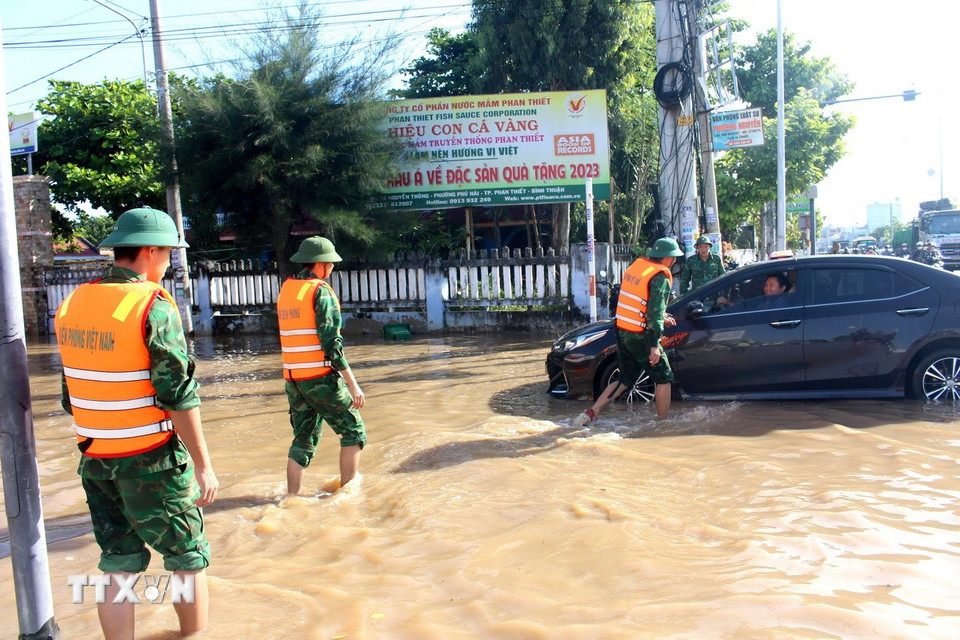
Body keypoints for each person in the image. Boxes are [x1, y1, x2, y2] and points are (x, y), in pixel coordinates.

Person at [54, 207, 218, 639]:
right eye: (168, 254)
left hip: (95, 460)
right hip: (153, 463)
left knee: (118, 562)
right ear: (150, 251)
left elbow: (73, 396)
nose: (168, 264)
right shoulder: (151, 304)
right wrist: (203, 464)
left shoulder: (72, 303)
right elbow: (178, 394)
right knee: (186, 557)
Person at [278, 236, 366, 494]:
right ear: (322, 265)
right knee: (354, 431)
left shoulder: (287, 289)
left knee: (302, 441)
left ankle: (291, 498)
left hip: (294, 380)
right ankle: (349, 493)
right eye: (331, 263)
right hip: (320, 378)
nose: (333, 268)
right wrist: (353, 384)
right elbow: (332, 344)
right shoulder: (320, 292)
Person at [574, 237, 683, 424]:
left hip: (622, 329)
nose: (674, 261)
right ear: (666, 258)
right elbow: (654, 315)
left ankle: (592, 412)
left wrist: (661, 316)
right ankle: (662, 424)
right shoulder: (660, 277)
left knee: (626, 378)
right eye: (673, 258)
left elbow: (638, 301)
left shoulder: (637, 267)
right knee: (664, 377)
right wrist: (654, 346)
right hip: (641, 334)